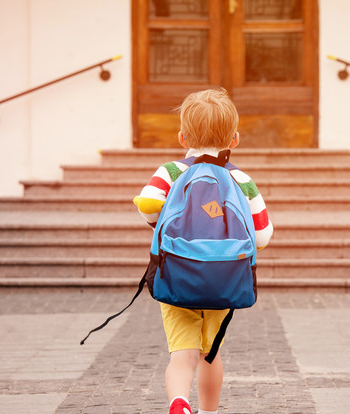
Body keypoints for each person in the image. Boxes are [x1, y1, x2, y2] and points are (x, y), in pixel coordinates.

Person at [133, 88, 274, 414]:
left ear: (183, 138)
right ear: (234, 139)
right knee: (210, 354)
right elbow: (262, 236)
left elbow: (148, 208)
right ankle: (209, 412)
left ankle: (179, 403)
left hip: (176, 275)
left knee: (181, 355)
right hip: (223, 279)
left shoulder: (170, 171)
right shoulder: (241, 179)